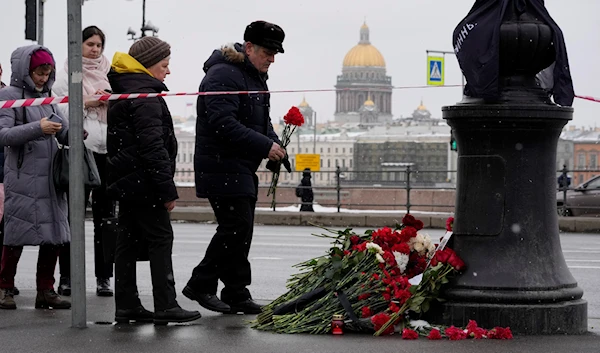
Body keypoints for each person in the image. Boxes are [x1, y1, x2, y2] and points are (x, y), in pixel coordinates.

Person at [183, 20, 286, 314]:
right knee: (235, 228)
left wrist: (276, 145)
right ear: (249, 47)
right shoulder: (223, 75)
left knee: (241, 230)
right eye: (268, 51)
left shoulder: (254, 76)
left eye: (275, 52)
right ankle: (201, 284)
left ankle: (236, 292)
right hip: (220, 164)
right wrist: (264, 146)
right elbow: (222, 123)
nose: (272, 58)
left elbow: (261, 121)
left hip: (239, 165)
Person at [106, 36, 200, 325]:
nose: (168, 71)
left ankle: (127, 304)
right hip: (144, 182)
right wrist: (166, 190)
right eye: (164, 65)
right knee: (160, 239)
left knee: (127, 243)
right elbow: (153, 148)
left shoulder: (126, 89)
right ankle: (166, 304)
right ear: (148, 66)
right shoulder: (144, 96)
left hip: (128, 180)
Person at [0, 45, 70, 310]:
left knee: (53, 235)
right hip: (22, 176)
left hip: (50, 178)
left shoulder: (48, 97)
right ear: (25, 71)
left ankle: (46, 290)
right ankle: (4, 287)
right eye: (39, 73)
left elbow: (63, 132)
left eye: (47, 73)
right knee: (15, 235)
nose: (43, 78)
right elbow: (3, 135)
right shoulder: (7, 95)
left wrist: (74, 131)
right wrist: (37, 128)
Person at [53, 25, 115, 297]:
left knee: (106, 218)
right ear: (78, 45)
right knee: (72, 217)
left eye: (99, 45)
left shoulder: (109, 72)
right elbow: (58, 107)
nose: (95, 49)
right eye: (90, 44)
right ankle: (67, 276)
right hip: (80, 150)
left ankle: (104, 277)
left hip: (106, 151)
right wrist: (87, 102)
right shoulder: (68, 73)